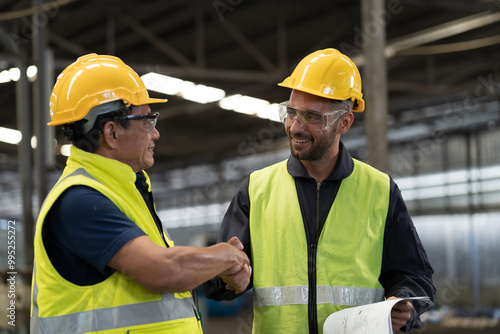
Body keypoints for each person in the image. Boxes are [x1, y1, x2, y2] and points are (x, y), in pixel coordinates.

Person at [203, 48, 436, 333]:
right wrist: (227, 279)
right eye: (290, 113)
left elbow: (415, 276)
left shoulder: (380, 190)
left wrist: (404, 305)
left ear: (344, 123)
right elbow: (220, 281)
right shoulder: (255, 190)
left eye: (312, 117)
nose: (295, 127)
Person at [30, 53, 251, 334]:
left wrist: (220, 274)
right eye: (147, 121)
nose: (155, 134)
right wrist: (226, 255)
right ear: (111, 133)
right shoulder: (80, 201)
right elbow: (164, 271)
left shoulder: (124, 191)